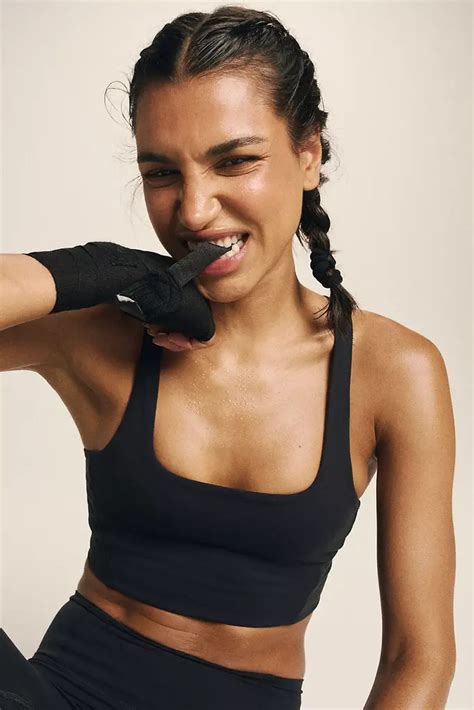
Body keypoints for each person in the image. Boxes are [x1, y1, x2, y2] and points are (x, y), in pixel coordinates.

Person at [0, 5, 456, 709]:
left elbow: (416, 659)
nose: (194, 211)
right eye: (162, 172)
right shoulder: (102, 334)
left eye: (235, 161)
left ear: (309, 154)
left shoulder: (394, 373)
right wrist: (98, 269)